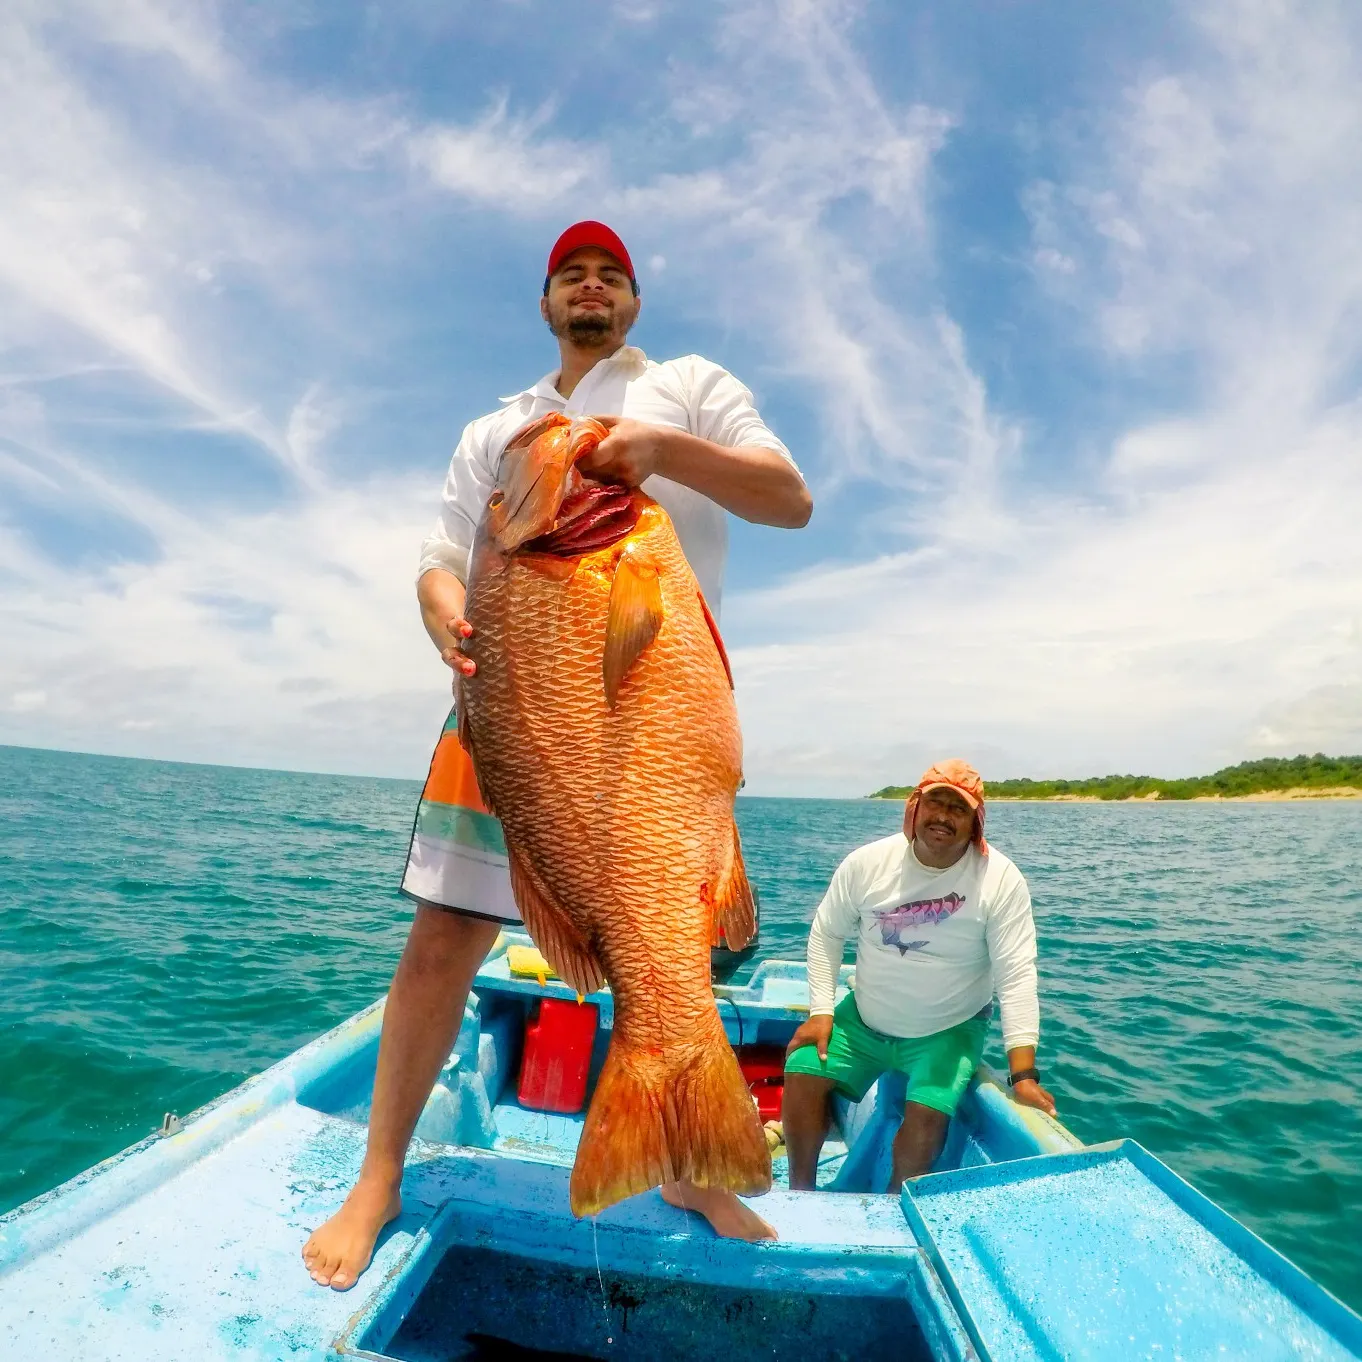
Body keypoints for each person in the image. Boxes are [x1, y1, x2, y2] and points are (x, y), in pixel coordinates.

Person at [302, 221, 811, 1290]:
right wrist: (443, 610)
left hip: (654, 725)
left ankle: (688, 1165)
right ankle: (378, 1176)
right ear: (546, 303)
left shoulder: (688, 386)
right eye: (572, 274)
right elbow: (443, 559)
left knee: (668, 930)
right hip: (512, 715)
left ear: (632, 303)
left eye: (611, 275)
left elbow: (787, 497)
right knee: (446, 934)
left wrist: (663, 453)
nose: (592, 286)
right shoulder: (498, 426)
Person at [782, 760, 1056, 1192]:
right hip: (864, 1022)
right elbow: (826, 933)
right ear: (914, 807)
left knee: (928, 1111)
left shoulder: (1001, 880)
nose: (943, 816)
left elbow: (1016, 974)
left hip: (946, 1029)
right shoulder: (867, 863)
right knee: (801, 1068)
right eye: (935, 803)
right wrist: (821, 1012)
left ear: (975, 823)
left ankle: (894, 1209)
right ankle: (801, 1192)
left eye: (958, 809)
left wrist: (1023, 1074)